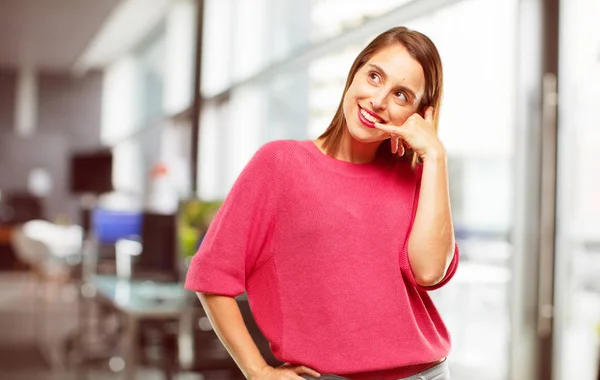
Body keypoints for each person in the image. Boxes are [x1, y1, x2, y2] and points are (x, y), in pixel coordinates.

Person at [185, 26, 459, 380]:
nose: (378, 100)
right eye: (374, 76)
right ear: (354, 73)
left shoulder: (420, 178)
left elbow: (430, 271)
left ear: (419, 114)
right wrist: (257, 371)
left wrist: (435, 157)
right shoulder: (280, 164)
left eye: (401, 95)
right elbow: (212, 276)